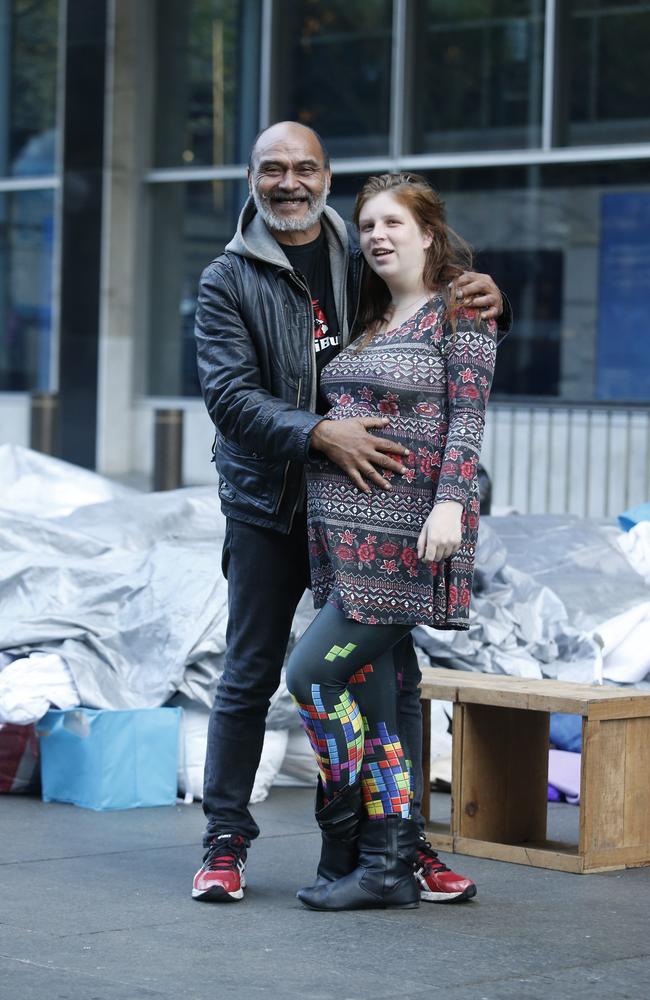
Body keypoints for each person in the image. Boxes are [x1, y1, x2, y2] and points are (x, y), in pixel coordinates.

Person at [193, 121, 509, 904]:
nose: (289, 182)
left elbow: (438, 331)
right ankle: (227, 841)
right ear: (252, 178)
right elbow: (230, 397)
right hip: (273, 504)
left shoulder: (359, 252)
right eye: (273, 169)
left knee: (389, 685)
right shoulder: (228, 280)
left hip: (375, 519)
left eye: (304, 168)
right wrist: (317, 433)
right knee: (253, 673)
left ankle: (395, 848)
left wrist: (479, 287)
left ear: (327, 176)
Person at [285, 171, 497, 911]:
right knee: (382, 717)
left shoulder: (459, 310)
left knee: (310, 677)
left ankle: (344, 832)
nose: (377, 235)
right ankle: (386, 866)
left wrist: (449, 507)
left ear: (429, 233)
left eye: (393, 224)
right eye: (368, 224)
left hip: (401, 546)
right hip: (344, 550)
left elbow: (467, 421)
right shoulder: (372, 317)